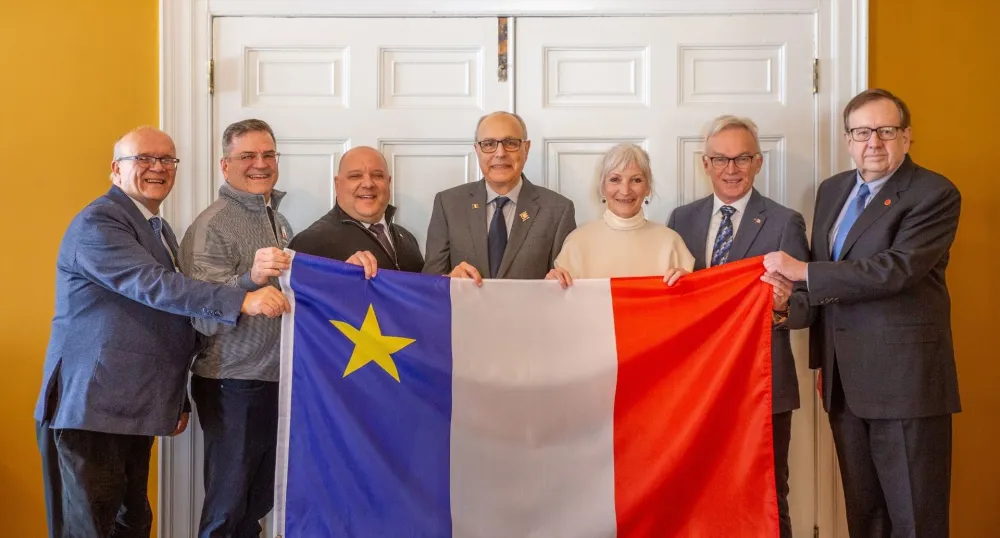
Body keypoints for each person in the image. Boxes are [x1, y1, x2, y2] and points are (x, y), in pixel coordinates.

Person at [34, 126, 288, 538]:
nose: (158, 168)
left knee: (132, 524)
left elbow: (171, 322)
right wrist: (241, 299)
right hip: (90, 407)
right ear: (116, 170)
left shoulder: (158, 229)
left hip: (132, 408)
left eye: (167, 160)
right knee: (90, 528)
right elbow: (153, 285)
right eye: (144, 159)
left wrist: (177, 399)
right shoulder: (100, 221)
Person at [764, 88, 961, 537]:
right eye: (862, 131)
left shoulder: (934, 193)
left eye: (886, 130)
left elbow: (895, 270)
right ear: (848, 139)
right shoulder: (832, 190)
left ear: (906, 137)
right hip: (843, 382)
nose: (874, 141)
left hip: (906, 382)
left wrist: (801, 271)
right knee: (865, 515)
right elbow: (828, 286)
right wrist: (800, 325)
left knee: (915, 519)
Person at [666, 115, 809, 538]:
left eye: (742, 158)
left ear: (759, 162)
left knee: (766, 495)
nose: (732, 168)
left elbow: (808, 307)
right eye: (721, 159)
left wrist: (781, 305)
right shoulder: (681, 219)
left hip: (762, 385)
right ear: (705, 164)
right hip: (698, 386)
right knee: (700, 492)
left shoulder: (785, 222)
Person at [177, 119, 294, 538]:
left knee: (257, 503)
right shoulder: (211, 226)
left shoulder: (279, 222)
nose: (260, 164)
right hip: (232, 384)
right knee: (227, 511)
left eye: (268, 154)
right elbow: (200, 315)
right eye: (248, 156)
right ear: (225, 166)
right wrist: (250, 280)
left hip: (273, 381)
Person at [423, 111, 576, 283]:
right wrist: (448, 279)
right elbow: (429, 283)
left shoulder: (558, 210)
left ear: (526, 149)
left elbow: (564, 285)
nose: (500, 153)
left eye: (511, 143)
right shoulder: (448, 204)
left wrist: (558, 283)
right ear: (477, 151)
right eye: (488, 144)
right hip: (466, 310)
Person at [545, 143, 694, 285]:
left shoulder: (671, 242)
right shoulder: (577, 241)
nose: (625, 190)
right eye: (615, 180)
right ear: (603, 187)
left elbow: (689, 305)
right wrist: (552, 286)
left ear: (648, 187)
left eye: (636, 180)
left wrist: (690, 285)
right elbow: (562, 304)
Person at [288, 145, 424, 276]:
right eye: (355, 176)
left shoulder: (407, 238)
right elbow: (299, 297)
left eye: (377, 175)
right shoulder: (310, 242)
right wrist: (343, 278)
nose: (368, 184)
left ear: (388, 182)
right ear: (338, 184)